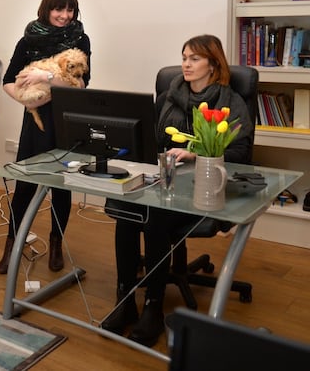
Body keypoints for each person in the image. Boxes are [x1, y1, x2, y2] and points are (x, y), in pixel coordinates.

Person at [100, 34, 255, 347]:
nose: (186, 64)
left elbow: (241, 153)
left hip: (204, 187)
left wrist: (197, 155)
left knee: (154, 217)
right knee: (128, 209)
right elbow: (147, 138)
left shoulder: (230, 100)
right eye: (184, 57)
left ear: (213, 64)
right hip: (163, 181)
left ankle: (153, 307)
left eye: (195, 58)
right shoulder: (169, 96)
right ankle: (126, 300)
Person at [0, 0, 91, 274]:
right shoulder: (28, 40)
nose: (64, 15)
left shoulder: (80, 39)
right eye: (58, 8)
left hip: (66, 120)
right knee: (24, 185)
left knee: (60, 188)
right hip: (36, 119)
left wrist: (46, 75)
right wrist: (29, 100)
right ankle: (12, 243)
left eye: (69, 9)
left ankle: (55, 243)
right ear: (46, 9)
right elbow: (8, 81)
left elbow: (82, 83)